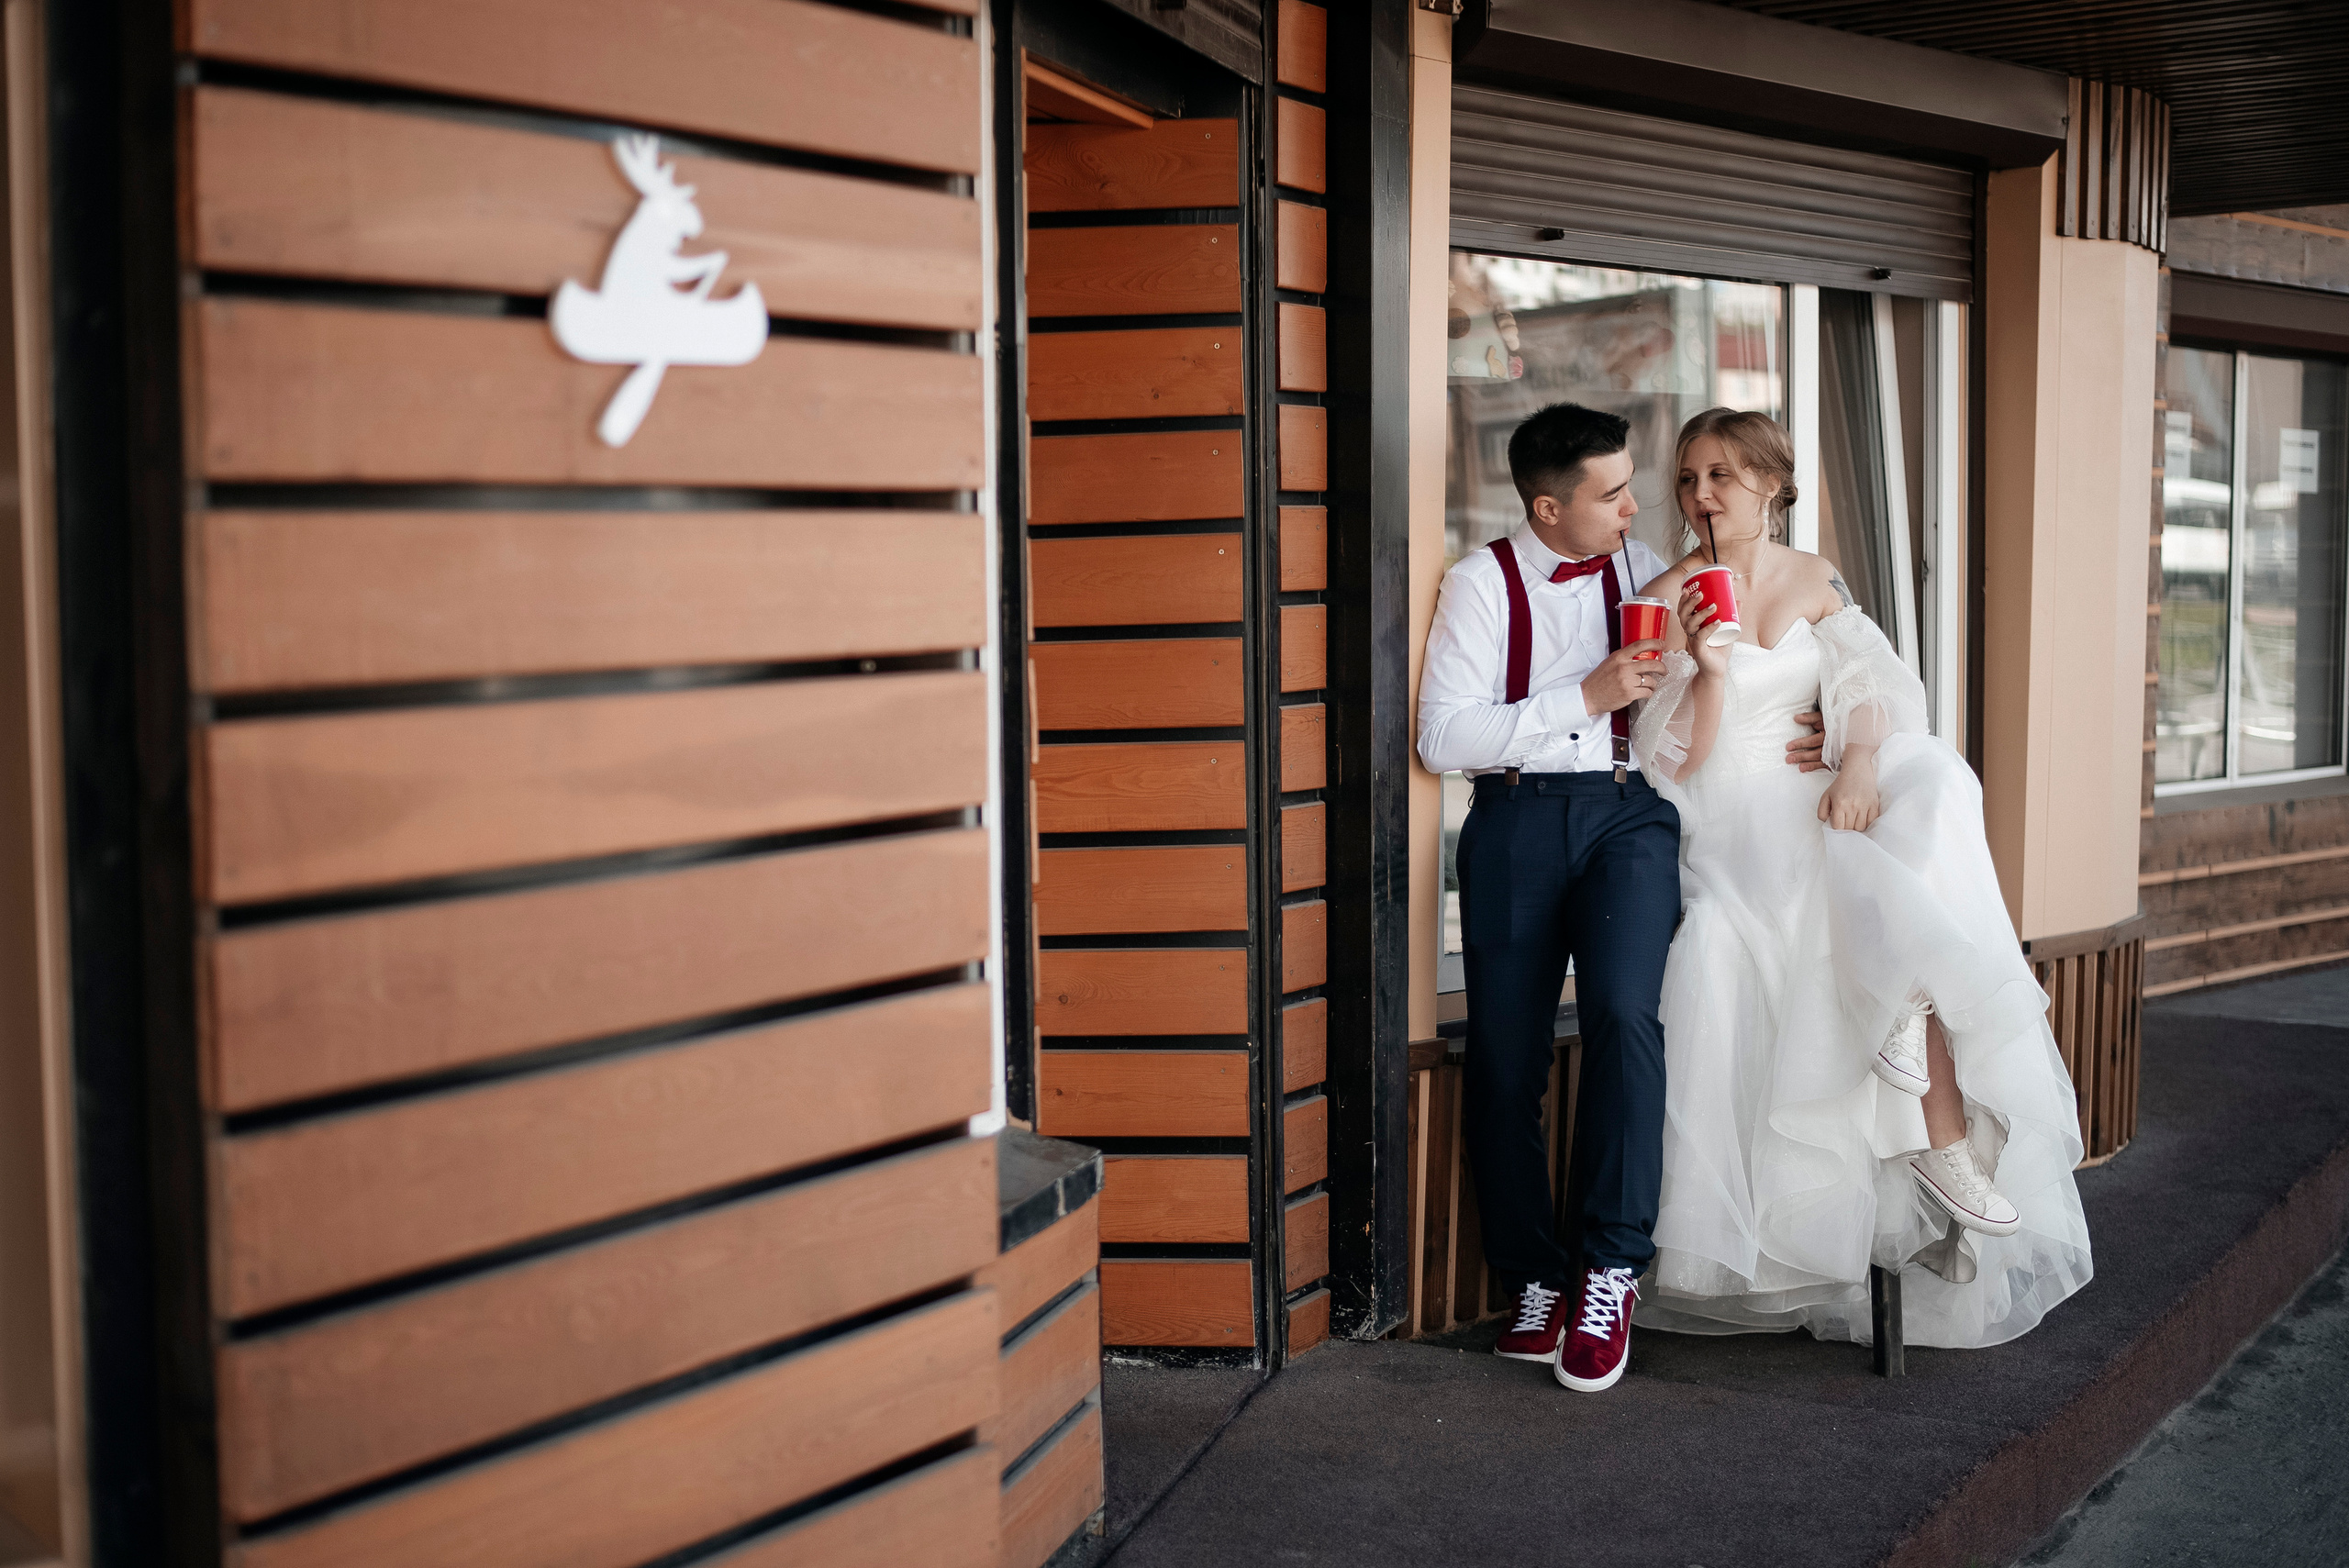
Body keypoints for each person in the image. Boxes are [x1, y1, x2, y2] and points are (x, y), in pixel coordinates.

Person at [1631, 407, 2092, 1347]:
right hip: (1720, 806)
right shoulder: (1665, 589)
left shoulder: (1812, 576)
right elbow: (1665, 756)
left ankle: (1923, 1082)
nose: (1701, 494)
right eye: (1687, 477)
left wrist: (1857, 758)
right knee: (1828, 873)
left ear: (1770, 483)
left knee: (1931, 781)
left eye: (1721, 473)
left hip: (1809, 782)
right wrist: (1709, 671)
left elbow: (1872, 682)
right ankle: (1935, 1125)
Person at [1415, 403, 1675, 1393]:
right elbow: (1443, 739)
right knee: (1504, 1058)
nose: (1632, 506)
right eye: (1611, 493)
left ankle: (1610, 1267)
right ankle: (1534, 1277)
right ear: (1547, 505)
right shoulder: (1479, 583)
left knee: (1621, 1013)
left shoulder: (1644, 562)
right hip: (1517, 822)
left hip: (1628, 814)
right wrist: (1584, 697)